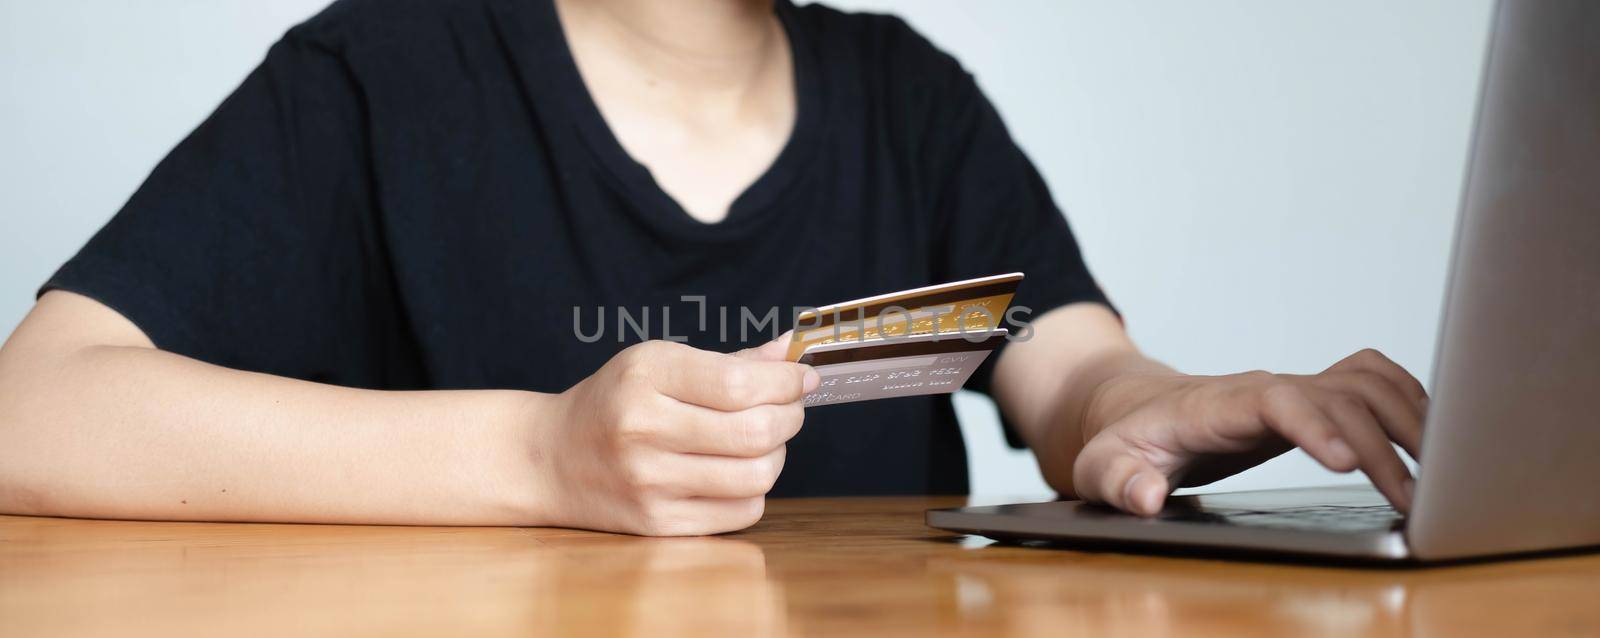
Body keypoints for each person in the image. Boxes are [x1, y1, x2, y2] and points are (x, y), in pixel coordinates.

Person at [0, 0, 1426, 536]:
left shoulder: (910, 95)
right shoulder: (382, 73)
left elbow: (1072, 368)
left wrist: (1152, 402)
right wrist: (541, 454)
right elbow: (35, 413)